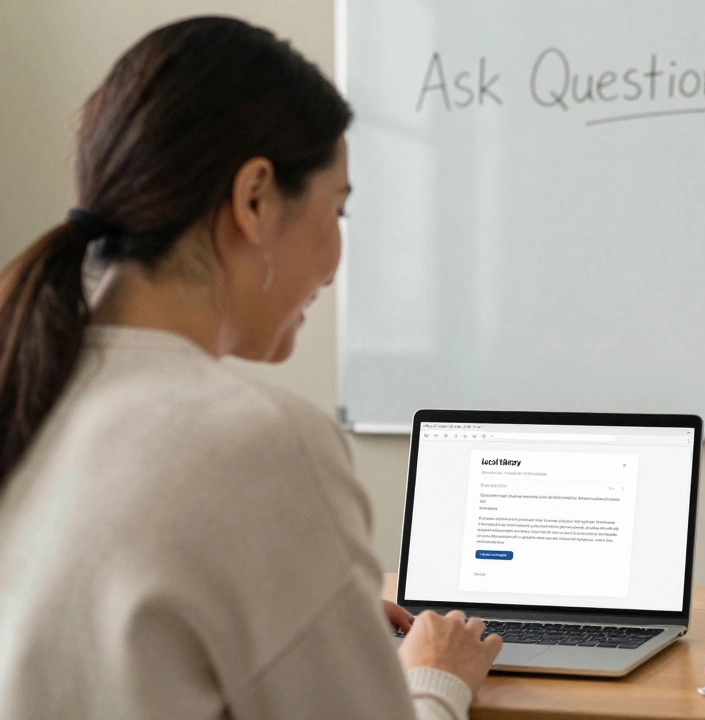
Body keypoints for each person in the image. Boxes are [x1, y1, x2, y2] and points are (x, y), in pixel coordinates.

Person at [0, 17, 500, 719]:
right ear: (255, 198)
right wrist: (436, 680)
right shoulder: (260, 443)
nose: (336, 260)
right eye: (338, 210)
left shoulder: (28, 385)